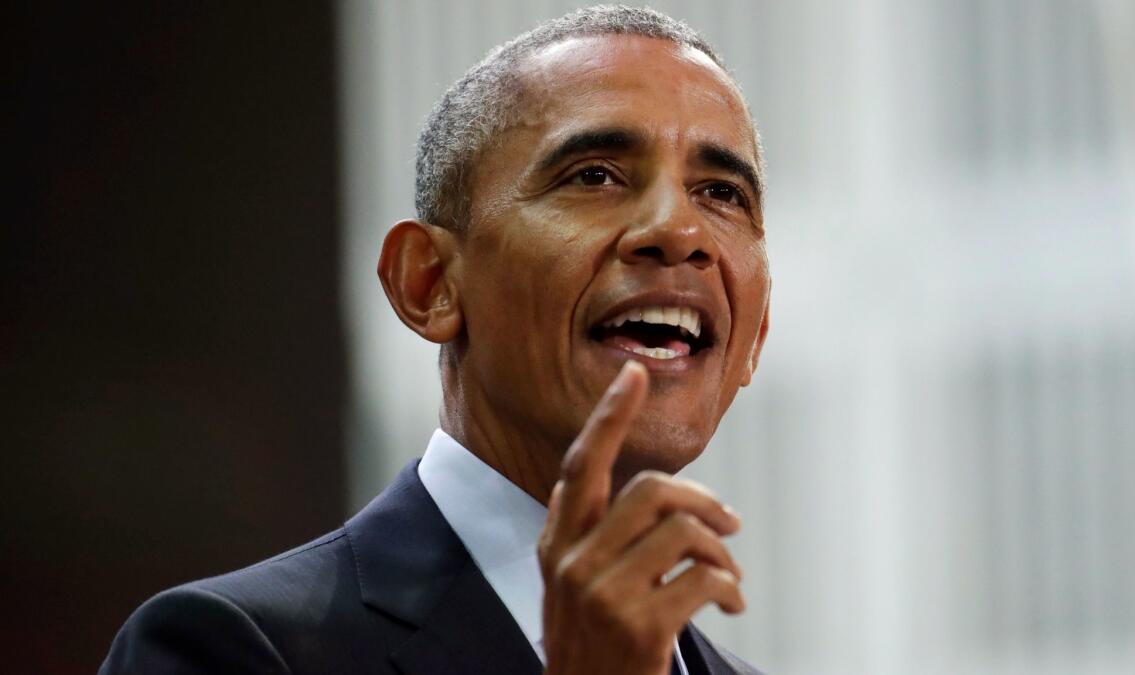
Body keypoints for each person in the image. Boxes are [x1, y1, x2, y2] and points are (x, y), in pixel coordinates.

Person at [100, 5, 770, 674]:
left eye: (721, 191)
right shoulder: (223, 649)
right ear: (428, 284)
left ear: (756, 333)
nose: (679, 231)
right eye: (594, 175)